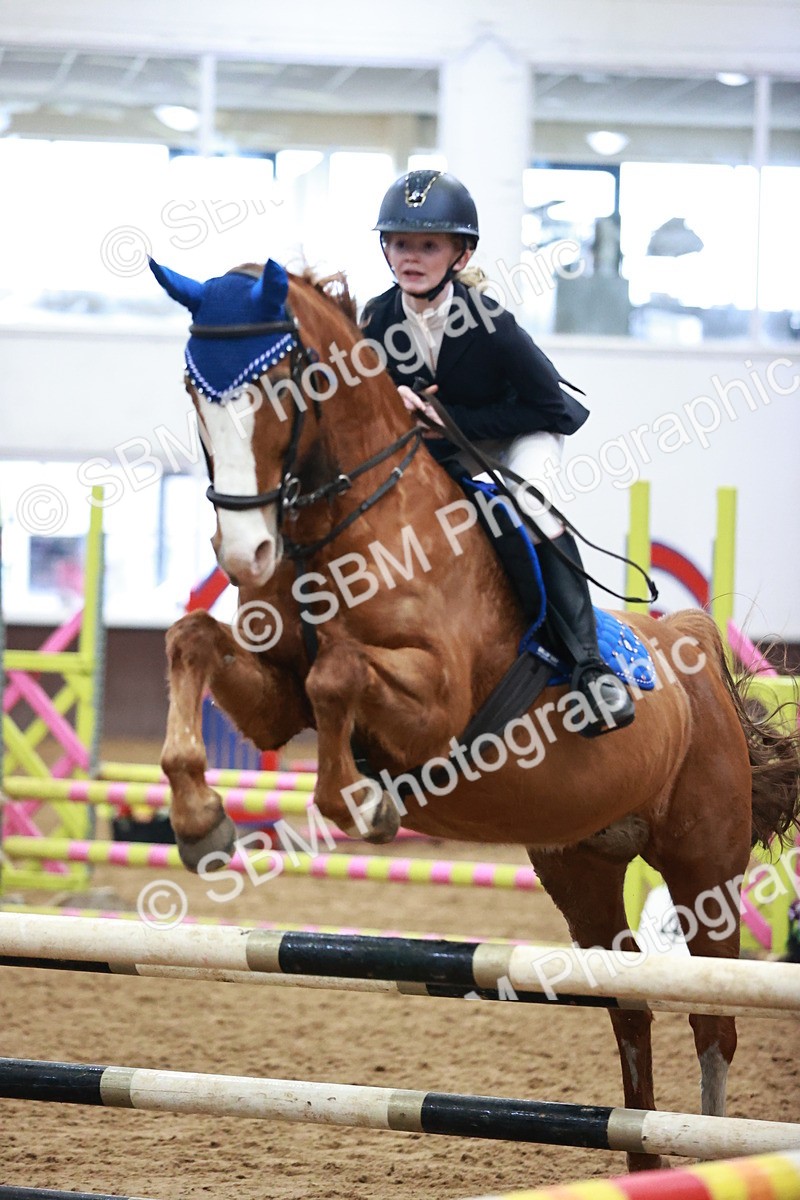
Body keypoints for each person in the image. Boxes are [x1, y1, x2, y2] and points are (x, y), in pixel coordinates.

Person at [360, 168, 635, 737]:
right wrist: (393, 398)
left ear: (459, 255)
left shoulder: (490, 323)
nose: (411, 256)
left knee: (528, 509)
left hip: (518, 435)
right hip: (441, 445)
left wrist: (455, 421)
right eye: (401, 243)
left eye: (428, 245)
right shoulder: (376, 319)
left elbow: (553, 410)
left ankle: (589, 668)